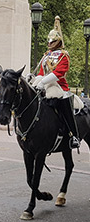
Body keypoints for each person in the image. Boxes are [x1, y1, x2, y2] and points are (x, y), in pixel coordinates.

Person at [34, 16, 80, 148]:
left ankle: (73, 135)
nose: (49, 43)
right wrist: (37, 80)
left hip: (59, 86)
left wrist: (43, 81)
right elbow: (41, 72)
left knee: (63, 103)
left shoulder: (64, 55)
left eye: (52, 41)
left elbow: (59, 73)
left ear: (58, 41)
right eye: (49, 41)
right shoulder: (46, 55)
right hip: (45, 85)